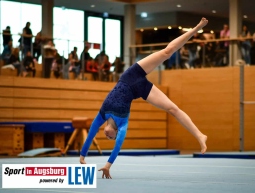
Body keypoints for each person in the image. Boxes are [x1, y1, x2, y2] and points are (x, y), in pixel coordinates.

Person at [79, 17, 209, 179]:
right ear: (116, 133)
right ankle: (199, 135)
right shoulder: (123, 124)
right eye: (110, 138)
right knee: (172, 108)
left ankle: (196, 28)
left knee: (166, 52)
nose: (108, 137)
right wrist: (107, 166)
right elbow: (117, 147)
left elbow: (91, 134)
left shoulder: (102, 115)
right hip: (139, 89)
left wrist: (82, 156)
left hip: (132, 75)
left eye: (106, 136)